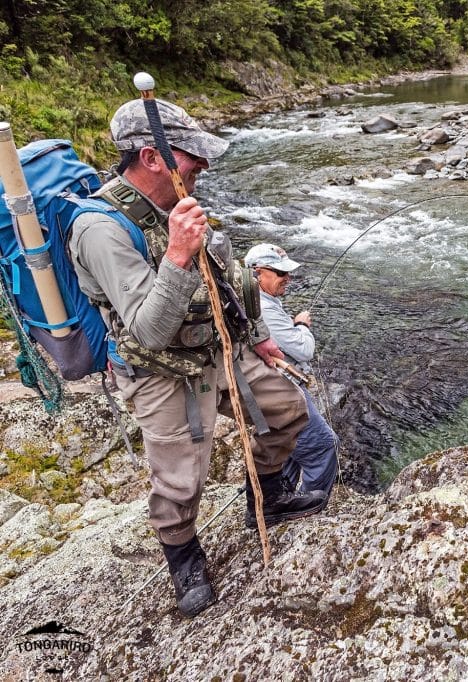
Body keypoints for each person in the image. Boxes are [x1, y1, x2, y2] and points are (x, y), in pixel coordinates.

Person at [68, 98, 327, 618]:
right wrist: (179, 254)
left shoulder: (175, 206)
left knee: (287, 411)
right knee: (181, 481)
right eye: (192, 156)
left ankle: (269, 497)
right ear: (151, 157)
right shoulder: (101, 229)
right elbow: (150, 328)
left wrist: (258, 336)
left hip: (223, 350)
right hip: (162, 372)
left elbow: (230, 282)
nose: (203, 167)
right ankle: (184, 559)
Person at [243, 243, 339, 496]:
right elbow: (304, 350)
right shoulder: (264, 309)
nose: (288, 278)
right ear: (257, 273)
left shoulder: (259, 300)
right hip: (278, 389)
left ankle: (277, 498)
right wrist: (301, 325)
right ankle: (309, 506)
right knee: (323, 446)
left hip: (269, 387)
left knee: (287, 446)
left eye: (288, 273)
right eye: (281, 273)